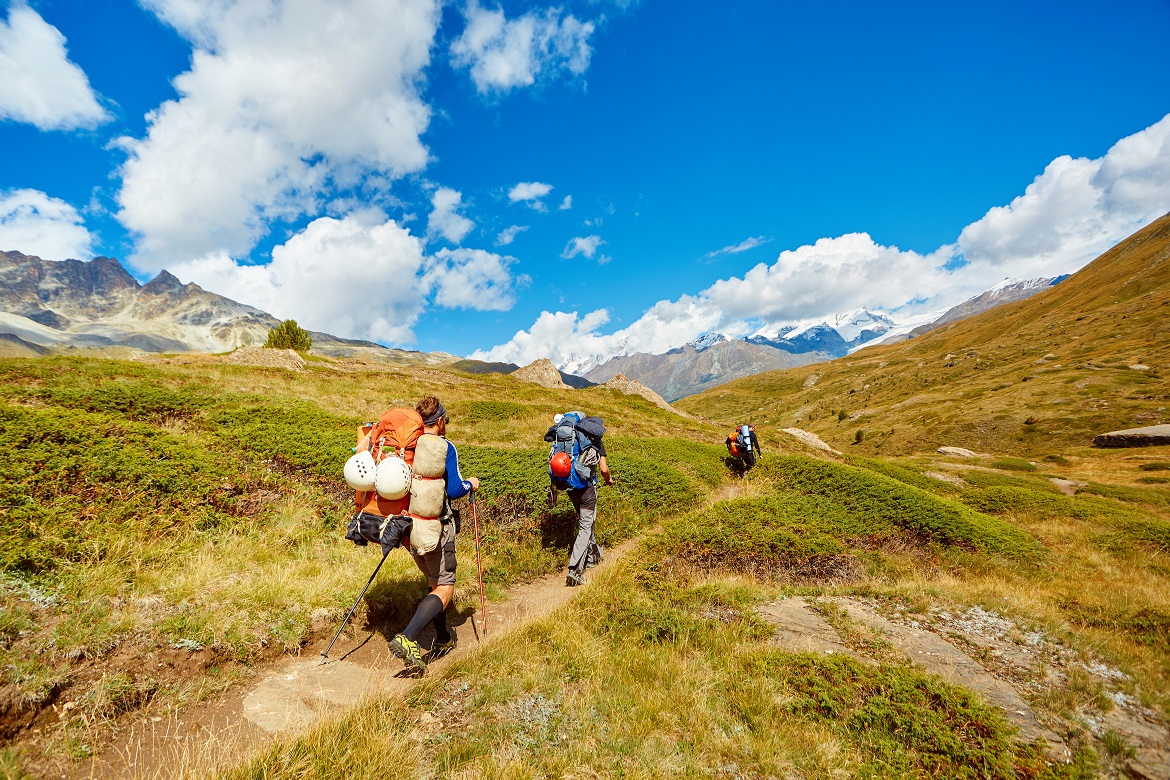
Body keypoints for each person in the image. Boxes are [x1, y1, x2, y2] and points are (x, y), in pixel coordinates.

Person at [388, 396, 480, 675]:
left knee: (433, 581)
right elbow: (454, 489)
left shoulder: (407, 443)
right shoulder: (443, 446)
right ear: (440, 421)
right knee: (445, 586)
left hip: (407, 527)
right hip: (435, 527)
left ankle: (442, 637)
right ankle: (408, 638)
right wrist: (471, 484)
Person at [557, 415, 613, 587]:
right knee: (585, 527)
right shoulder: (595, 441)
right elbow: (604, 469)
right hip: (587, 489)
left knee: (586, 524)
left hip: (571, 487)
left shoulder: (567, 441)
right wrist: (609, 480)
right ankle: (575, 570)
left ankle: (593, 556)